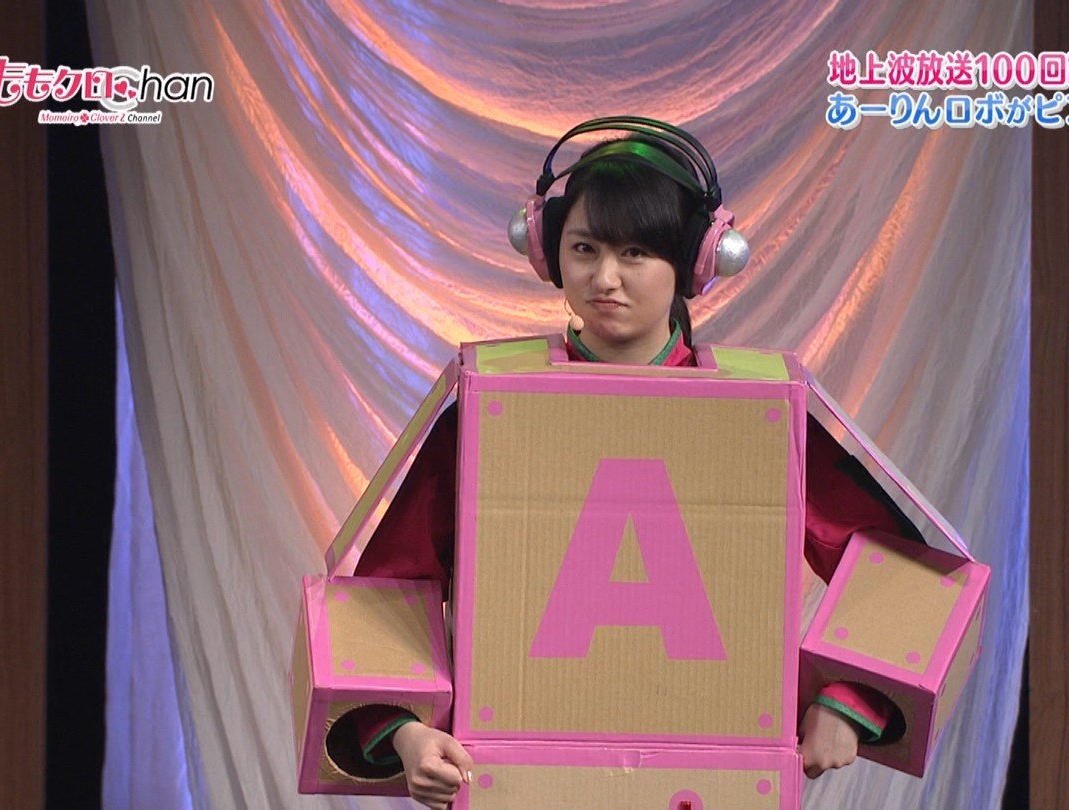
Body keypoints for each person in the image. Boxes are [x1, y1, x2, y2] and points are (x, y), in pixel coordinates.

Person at [347, 118, 924, 810]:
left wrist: (848, 697)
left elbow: (904, 570)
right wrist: (407, 731)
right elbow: (384, 593)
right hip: (522, 786)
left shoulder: (760, 420)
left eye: (636, 252)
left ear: (692, 261)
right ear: (548, 252)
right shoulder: (487, 414)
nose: (605, 278)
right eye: (585, 248)